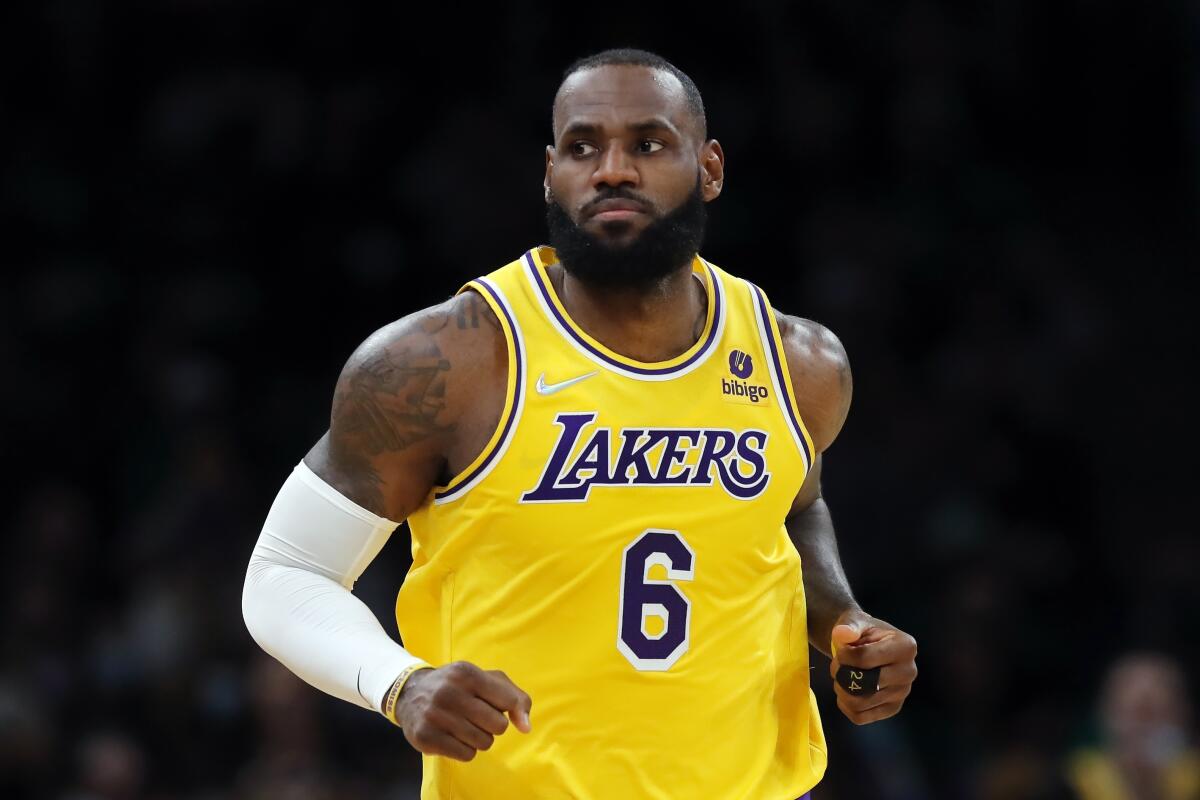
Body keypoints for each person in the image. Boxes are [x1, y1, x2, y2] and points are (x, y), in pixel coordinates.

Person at [242, 48, 918, 799]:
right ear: (549, 173)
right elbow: (286, 574)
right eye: (583, 146)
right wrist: (401, 682)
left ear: (711, 168)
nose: (612, 170)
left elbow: (791, 507)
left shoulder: (800, 363)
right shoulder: (447, 362)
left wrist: (843, 622)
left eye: (649, 144)